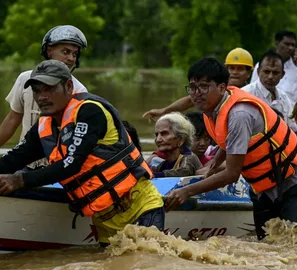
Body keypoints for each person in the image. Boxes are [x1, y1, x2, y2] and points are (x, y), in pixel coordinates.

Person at [0, 60, 164, 246]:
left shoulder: (90, 111)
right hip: (104, 220)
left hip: (139, 207)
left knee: (146, 261)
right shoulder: (43, 126)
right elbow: (14, 159)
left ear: (68, 87)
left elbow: (72, 163)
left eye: (49, 89)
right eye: (37, 90)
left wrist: (19, 180)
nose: (42, 97)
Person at [165, 57, 297, 240]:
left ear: (221, 87)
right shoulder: (214, 109)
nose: (197, 93)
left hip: (292, 180)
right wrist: (213, 164)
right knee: (267, 244)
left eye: (203, 86)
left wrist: (187, 191)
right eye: (192, 87)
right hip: (261, 185)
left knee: (294, 243)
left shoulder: (239, 114)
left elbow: (232, 174)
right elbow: (228, 142)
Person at [0, 25, 88, 169]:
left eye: (74, 54)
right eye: (65, 52)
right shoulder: (25, 79)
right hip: (23, 161)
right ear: (49, 50)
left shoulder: (79, 90)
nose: (71, 58)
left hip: (56, 167)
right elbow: (12, 120)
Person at [142, 47, 254, 121]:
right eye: (231, 68)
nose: (234, 72)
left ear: (249, 73)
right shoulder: (216, 90)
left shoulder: (250, 95)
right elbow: (191, 99)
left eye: (240, 69)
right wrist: (163, 111)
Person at [251, 30, 297, 103]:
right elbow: (253, 90)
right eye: (287, 44)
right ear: (276, 44)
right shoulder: (261, 65)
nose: (290, 48)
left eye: (293, 45)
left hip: (289, 112)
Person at [243, 50, 297, 131]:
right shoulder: (245, 94)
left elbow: (293, 129)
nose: (270, 77)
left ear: (282, 75)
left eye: (275, 73)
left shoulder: (284, 98)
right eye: (266, 72)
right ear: (258, 72)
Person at [147, 112, 202, 178]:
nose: (158, 140)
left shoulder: (190, 157)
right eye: (157, 135)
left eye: (164, 133)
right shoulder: (164, 164)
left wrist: (157, 175)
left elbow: (184, 172)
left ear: (180, 139)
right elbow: (153, 172)